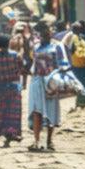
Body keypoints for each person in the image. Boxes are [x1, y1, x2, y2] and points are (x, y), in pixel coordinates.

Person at [27, 22, 69, 151]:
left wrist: (59, 78)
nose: (44, 35)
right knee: (36, 111)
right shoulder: (35, 47)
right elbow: (33, 65)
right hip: (37, 82)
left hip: (51, 82)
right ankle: (36, 141)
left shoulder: (58, 47)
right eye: (42, 33)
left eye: (47, 32)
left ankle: (50, 141)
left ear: (50, 33)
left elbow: (64, 65)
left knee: (52, 111)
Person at [0, 32, 25, 146]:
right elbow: (22, 68)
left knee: (2, 112)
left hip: (2, 88)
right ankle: (12, 133)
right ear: (8, 43)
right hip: (15, 87)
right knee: (13, 112)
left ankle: (7, 135)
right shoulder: (15, 55)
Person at [65, 21, 85, 95]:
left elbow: (69, 50)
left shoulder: (71, 38)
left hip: (75, 63)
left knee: (77, 80)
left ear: (72, 29)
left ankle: (80, 97)